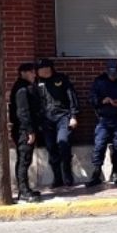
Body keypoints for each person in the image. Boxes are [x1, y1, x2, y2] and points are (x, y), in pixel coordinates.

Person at [86, 60, 117, 188]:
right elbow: (91, 98)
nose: (113, 76)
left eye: (115, 73)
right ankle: (96, 172)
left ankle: (116, 172)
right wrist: (102, 100)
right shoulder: (100, 81)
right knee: (99, 144)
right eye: (111, 73)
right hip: (104, 118)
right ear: (107, 71)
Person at [36, 58, 79, 188]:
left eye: (41, 69)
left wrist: (74, 116)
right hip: (46, 120)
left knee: (63, 143)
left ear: (49, 68)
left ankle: (67, 175)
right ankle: (57, 178)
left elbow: (72, 97)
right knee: (51, 148)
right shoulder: (37, 82)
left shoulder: (61, 79)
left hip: (63, 117)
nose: (39, 72)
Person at [8, 62, 42, 203]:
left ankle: (26, 189)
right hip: (23, 129)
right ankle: (23, 192)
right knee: (24, 159)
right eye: (32, 72)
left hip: (25, 128)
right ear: (24, 73)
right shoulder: (21, 89)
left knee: (25, 159)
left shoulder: (26, 87)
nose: (35, 75)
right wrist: (29, 131)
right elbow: (23, 112)